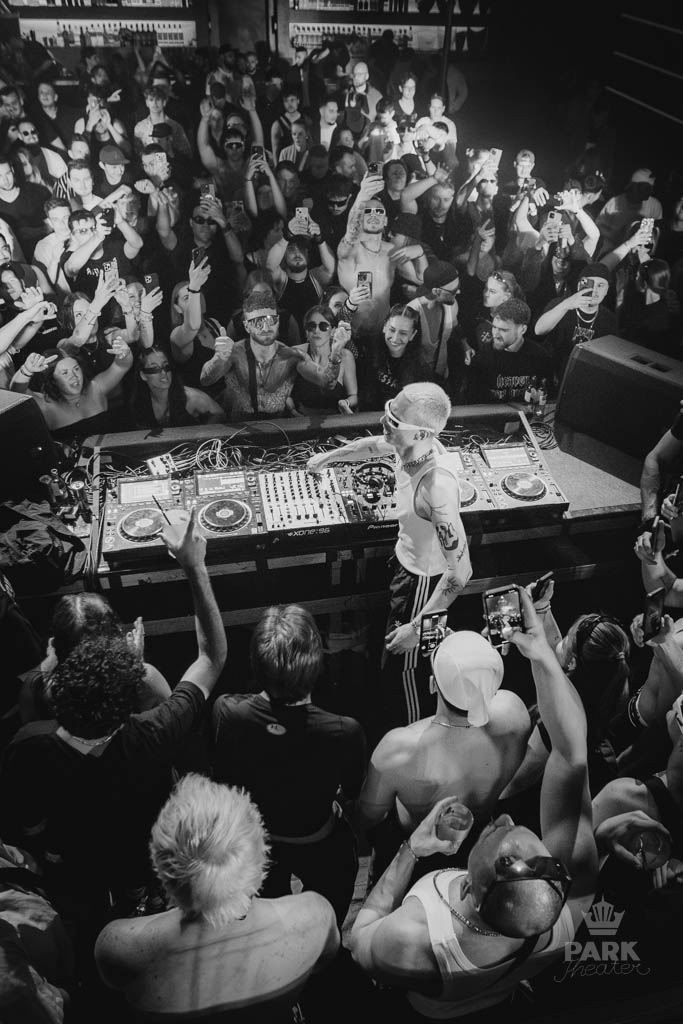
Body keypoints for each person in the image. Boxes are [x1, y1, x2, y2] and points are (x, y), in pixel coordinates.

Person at [349, 588, 597, 1020]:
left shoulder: (411, 939)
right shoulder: (566, 910)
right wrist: (540, 651)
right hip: (502, 999)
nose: (506, 818)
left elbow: (360, 941)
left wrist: (410, 850)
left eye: (502, 833)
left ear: (465, 886)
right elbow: (571, 751)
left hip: (427, 996)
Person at [0, 508, 227, 926]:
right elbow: (211, 658)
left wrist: (48, 666)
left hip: (82, 857)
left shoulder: (29, 741)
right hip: (146, 845)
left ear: (57, 653)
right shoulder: (155, 730)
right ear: (118, 656)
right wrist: (194, 566)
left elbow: (29, 820)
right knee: (143, 884)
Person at [95, 774, 340, 1020]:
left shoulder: (119, 945)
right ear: (260, 854)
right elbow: (323, 964)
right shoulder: (314, 916)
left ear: (162, 867)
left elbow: (114, 987)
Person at [308, 383, 472, 728]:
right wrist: (328, 457)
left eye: (394, 421)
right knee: (386, 657)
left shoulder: (436, 490)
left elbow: (461, 572)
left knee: (405, 672)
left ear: (422, 434)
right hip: (404, 566)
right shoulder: (410, 447)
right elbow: (373, 444)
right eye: (387, 411)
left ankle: (413, 737)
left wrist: (417, 627)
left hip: (423, 584)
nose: (384, 422)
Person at [211, 604, 366, 926]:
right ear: (317, 663)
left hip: (256, 843)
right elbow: (353, 792)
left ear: (255, 662)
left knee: (267, 925)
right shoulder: (344, 731)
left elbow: (222, 775)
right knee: (329, 913)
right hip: (317, 839)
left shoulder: (227, 712)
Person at [358, 630, 530, 873]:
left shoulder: (398, 748)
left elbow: (368, 816)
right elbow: (484, 690)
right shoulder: (515, 713)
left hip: (418, 852)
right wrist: (467, 659)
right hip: (479, 843)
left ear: (432, 684)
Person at [18, 593, 171, 726]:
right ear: (115, 639)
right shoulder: (147, 680)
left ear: (54, 644)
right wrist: (135, 669)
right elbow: (169, 727)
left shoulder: (34, 688)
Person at [200, 287, 350, 420]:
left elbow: (328, 382)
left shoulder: (292, 356)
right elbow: (205, 380)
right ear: (246, 326)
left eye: (270, 320)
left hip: (279, 430)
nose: (266, 327)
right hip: (239, 430)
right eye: (258, 322)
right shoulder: (234, 353)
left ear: (278, 321)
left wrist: (336, 351)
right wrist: (219, 358)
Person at [9, 339, 132, 443]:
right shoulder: (46, 405)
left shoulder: (95, 388)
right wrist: (26, 371)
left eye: (76, 369)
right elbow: (17, 393)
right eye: (65, 373)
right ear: (53, 380)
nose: (74, 376)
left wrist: (125, 354)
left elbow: (121, 366)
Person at [534, 261, 618, 382]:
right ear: (580, 285)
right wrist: (566, 305)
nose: (595, 289)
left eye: (601, 285)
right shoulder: (560, 304)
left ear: (607, 290)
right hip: (551, 373)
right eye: (590, 283)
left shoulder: (609, 319)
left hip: (586, 378)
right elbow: (539, 330)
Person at [337, 172, 394, 336]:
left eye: (379, 212)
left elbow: (419, 277)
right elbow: (351, 233)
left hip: (383, 336)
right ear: (360, 218)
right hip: (352, 335)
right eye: (368, 211)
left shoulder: (391, 251)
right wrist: (363, 196)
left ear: (385, 220)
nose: (373, 214)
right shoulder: (350, 251)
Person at [467, 298, 553, 403]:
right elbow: (471, 404)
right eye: (494, 327)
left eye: (503, 330)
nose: (496, 335)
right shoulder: (482, 359)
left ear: (522, 329)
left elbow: (549, 398)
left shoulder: (540, 357)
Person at [359, 303, 433, 410]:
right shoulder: (367, 351)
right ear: (384, 327)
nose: (395, 338)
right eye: (392, 330)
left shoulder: (421, 368)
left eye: (403, 333)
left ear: (412, 335)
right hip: (368, 416)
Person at [131, 346, 225, 429]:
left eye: (166, 366)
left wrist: (203, 435)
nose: (163, 373)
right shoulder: (140, 401)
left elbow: (220, 414)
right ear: (143, 375)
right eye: (155, 368)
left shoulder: (191, 398)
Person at [292, 305, 358, 414]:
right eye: (311, 326)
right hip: (302, 419)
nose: (316, 331)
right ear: (306, 331)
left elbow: (353, 396)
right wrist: (293, 411)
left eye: (323, 326)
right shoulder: (296, 353)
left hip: (336, 419)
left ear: (333, 331)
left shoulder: (346, 356)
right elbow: (285, 393)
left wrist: (345, 403)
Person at [596, 168, 663, 257]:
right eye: (646, 188)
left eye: (651, 188)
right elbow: (598, 225)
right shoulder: (615, 202)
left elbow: (656, 235)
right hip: (611, 251)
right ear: (634, 186)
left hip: (636, 255)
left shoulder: (655, 205)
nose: (650, 191)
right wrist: (614, 235)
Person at [0, 155, 50, 260]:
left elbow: (56, 225)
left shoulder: (36, 191)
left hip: (46, 252)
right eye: (0, 176)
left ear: (13, 170)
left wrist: (37, 231)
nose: (5, 180)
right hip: (16, 261)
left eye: (8, 173)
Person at [133, 84, 192, 158]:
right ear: (147, 103)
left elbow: (186, 153)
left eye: (158, 99)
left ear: (164, 102)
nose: (154, 103)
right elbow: (137, 154)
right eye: (151, 100)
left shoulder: (175, 127)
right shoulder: (140, 128)